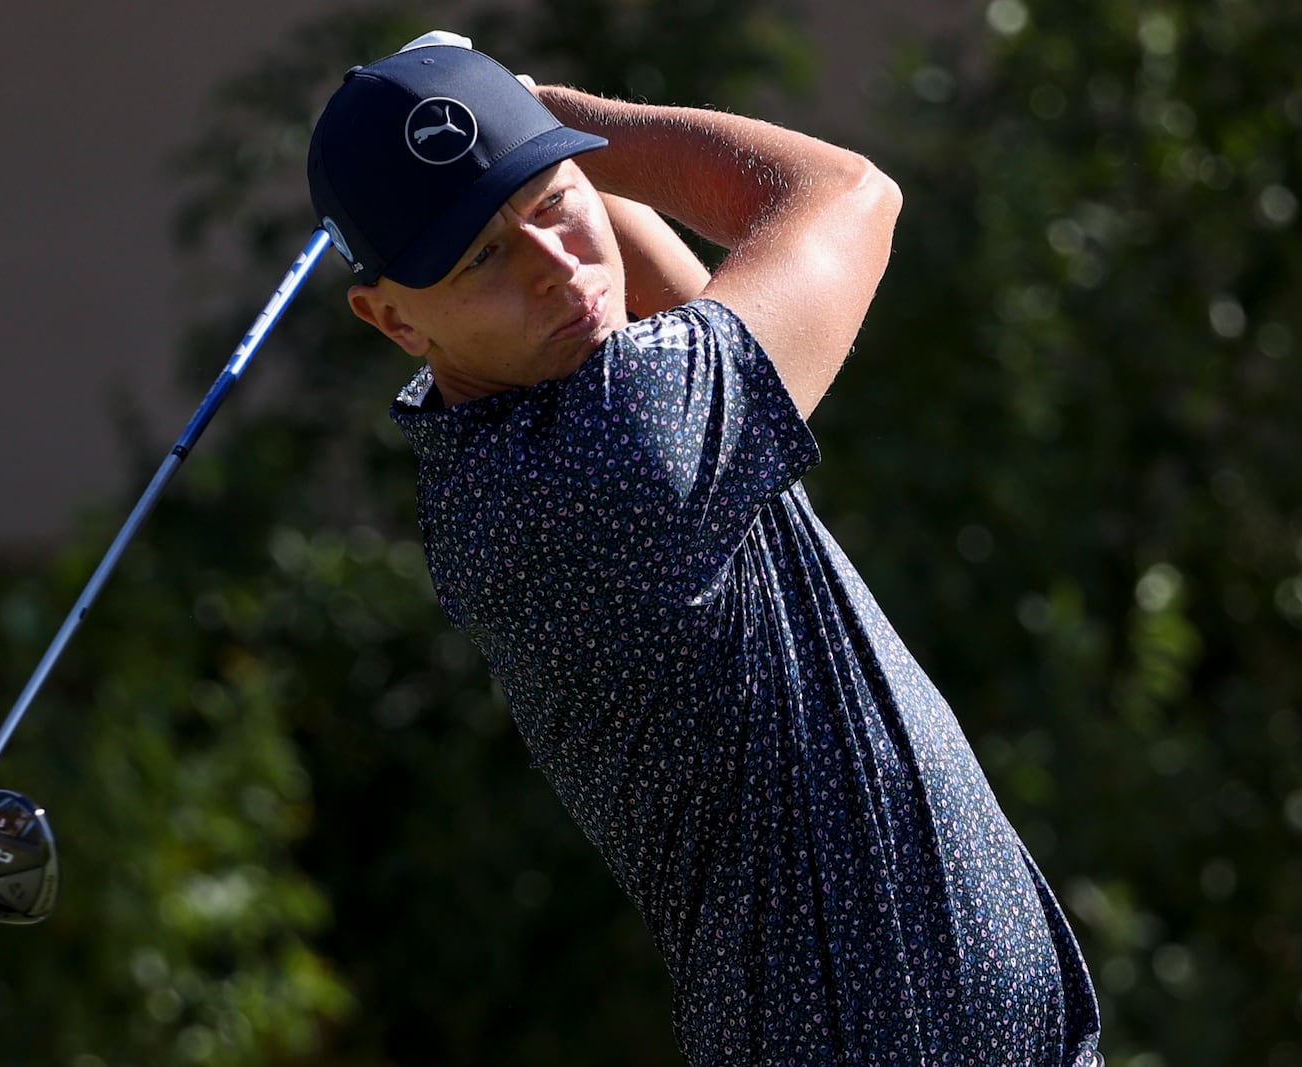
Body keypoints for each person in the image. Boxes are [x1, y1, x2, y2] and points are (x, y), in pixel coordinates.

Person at [307, 33, 1103, 1066]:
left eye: (551, 202)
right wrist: (545, 112)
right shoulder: (617, 455)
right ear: (391, 319)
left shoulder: (530, 428)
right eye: (482, 257)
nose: (556, 265)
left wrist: (521, 143)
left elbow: (687, 308)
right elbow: (849, 193)